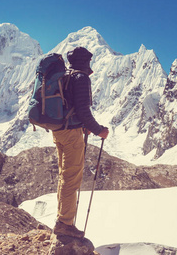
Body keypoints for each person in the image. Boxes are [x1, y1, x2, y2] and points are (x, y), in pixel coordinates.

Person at [52, 47, 109, 238]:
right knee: (71, 179)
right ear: (85, 61)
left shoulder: (66, 76)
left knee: (64, 175)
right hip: (71, 134)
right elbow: (84, 111)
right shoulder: (81, 78)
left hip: (59, 131)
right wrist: (98, 130)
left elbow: (72, 106)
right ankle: (65, 224)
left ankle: (62, 219)